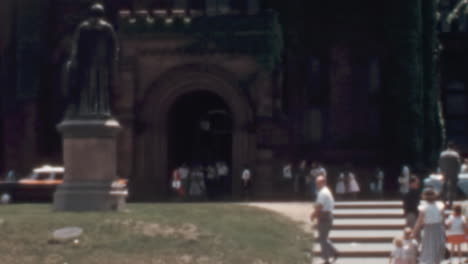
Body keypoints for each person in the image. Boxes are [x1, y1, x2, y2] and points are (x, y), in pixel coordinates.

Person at [412, 188, 446, 264]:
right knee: (435, 248)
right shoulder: (439, 205)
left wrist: (414, 232)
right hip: (436, 228)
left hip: (431, 228)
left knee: (430, 248)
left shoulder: (425, 207)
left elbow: (419, 221)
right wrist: (445, 231)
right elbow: (443, 219)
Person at [310, 176, 339, 264]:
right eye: (316, 183)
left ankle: (326, 259)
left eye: (318, 183)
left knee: (323, 239)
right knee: (324, 238)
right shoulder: (325, 191)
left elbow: (320, 206)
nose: (316, 185)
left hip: (324, 216)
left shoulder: (323, 193)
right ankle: (335, 252)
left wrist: (313, 215)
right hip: (326, 216)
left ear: (323, 182)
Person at [440, 141, 461, 207]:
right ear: (454, 147)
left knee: (444, 186)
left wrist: (442, 172)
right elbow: (458, 165)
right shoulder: (456, 154)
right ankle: (450, 202)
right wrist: (457, 172)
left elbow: (440, 164)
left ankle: (444, 201)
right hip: (453, 173)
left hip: (445, 173)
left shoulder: (442, 154)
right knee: (452, 188)